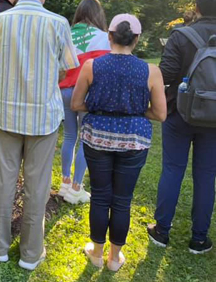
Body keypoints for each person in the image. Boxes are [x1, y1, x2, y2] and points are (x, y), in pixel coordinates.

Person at [0, 0, 79, 271]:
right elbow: (67, 68)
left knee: (5, 179)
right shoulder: (58, 23)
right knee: (37, 185)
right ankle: (30, 252)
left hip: (7, 113)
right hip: (43, 115)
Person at [71, 14, 166, 271]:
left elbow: (76, 103)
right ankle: (115, 258)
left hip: (97, 138)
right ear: (137, 39)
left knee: (101, 196)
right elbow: (160, 113)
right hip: (134, 141)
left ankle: (97, 252)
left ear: (109, 36)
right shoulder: (151, 71)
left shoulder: (92, 66)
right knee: (123, 199)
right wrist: (134, 113)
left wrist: (100, 108)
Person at [148, 0, 216, 255]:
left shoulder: (181, 36)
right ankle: (199, 239)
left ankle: (162, 231)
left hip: (179, 112)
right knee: (206, 175)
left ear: (197, 8)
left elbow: (164, 75)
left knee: (173, 170)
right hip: (214, 119)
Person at [58, 0, 110, 204]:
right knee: (86, 139)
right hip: (88, 93)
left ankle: (64, 182)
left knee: (69, 136)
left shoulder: (65, 33)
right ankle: (76, 188)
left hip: (64, 91)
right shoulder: (104, 37)